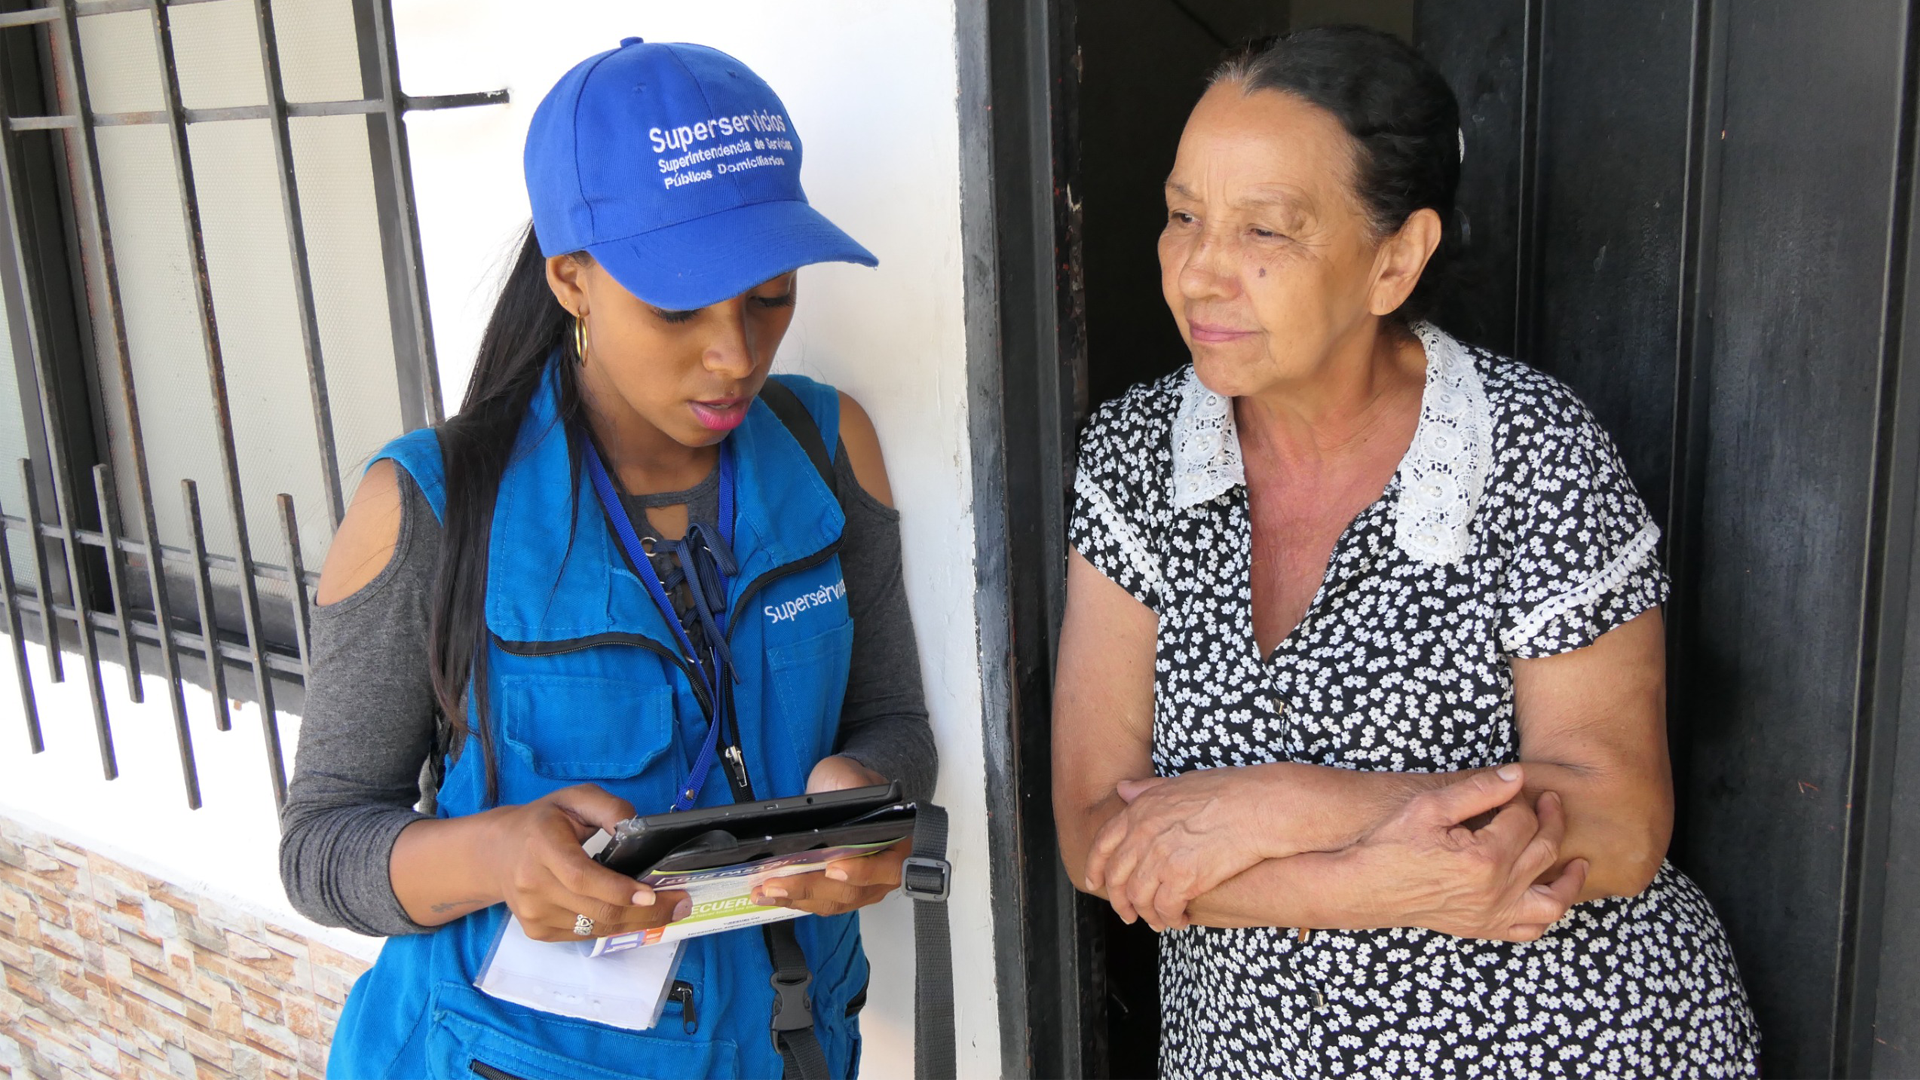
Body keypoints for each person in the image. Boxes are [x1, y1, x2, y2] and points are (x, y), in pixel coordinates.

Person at [1052, 26, 1759, 1079]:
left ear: (1395, 259)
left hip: (1563, 1042)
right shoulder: (1137, 456)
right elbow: (1095, 834)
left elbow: (1618, 821)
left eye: (1265, 231)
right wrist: (1372, 887)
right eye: (1184, 215)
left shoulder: (1528, 448)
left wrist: (1282, 802)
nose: (1199, 272)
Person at [278, 38, 936, 1080]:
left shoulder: (826, 450)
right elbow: (320, 848)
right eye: (678, 308)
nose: (735, 354)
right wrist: (498, 854)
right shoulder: (430, 505)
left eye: (770, 294)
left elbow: (892, 719)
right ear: (572, 280)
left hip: (794, 1044)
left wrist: (864, 797)